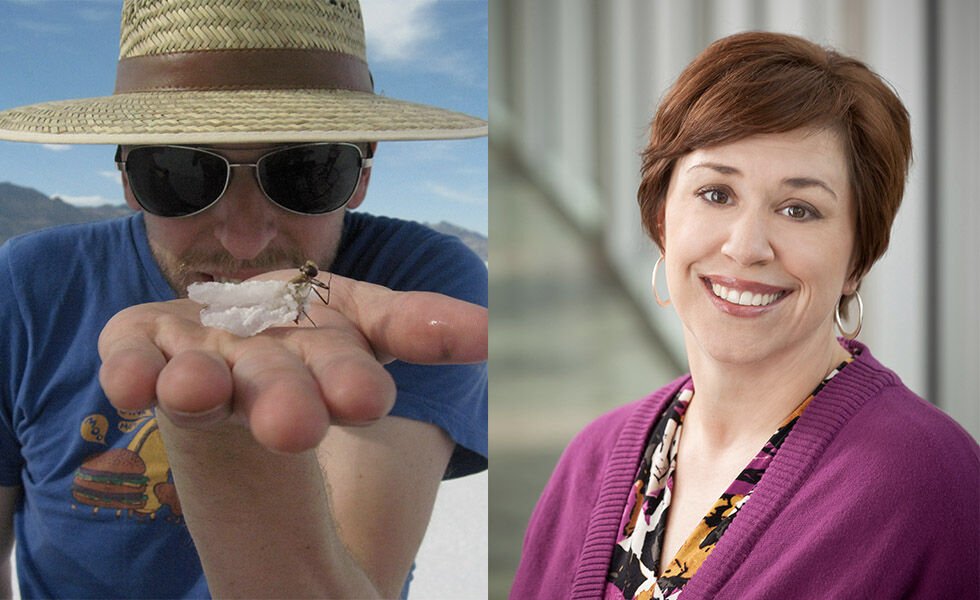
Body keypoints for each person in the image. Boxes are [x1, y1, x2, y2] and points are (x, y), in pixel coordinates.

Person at [0, 1, 487, 598]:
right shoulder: (26, 284)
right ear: (126, 175)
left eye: (307, 170)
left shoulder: (412, 284)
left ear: (362, 171)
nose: (244, 238)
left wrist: (215, 433)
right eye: (179, 172)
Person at [511, 31, 978, 599]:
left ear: (858, 258)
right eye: (716, 194)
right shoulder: (594, 458)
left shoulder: (931, 481)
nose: (746, 247)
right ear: (661, 218)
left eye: (798, 209)